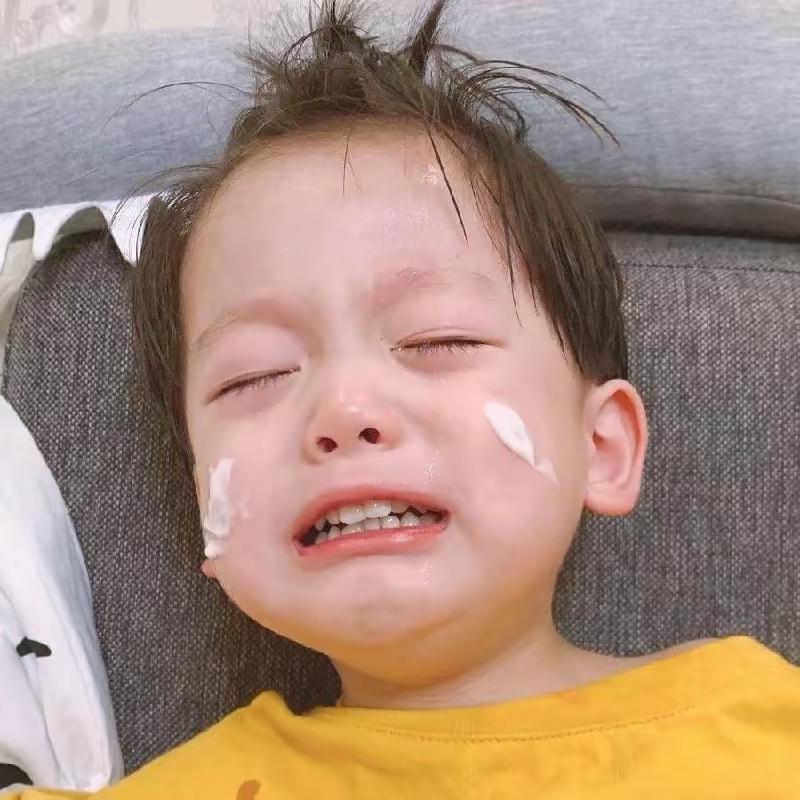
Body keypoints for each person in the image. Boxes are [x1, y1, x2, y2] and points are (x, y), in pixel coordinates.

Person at [14, 1, 800, 797]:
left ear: (601, 448)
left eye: (435, 340)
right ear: (202, 507)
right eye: (255, 376)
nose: (344, 411)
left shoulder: (758, 726)